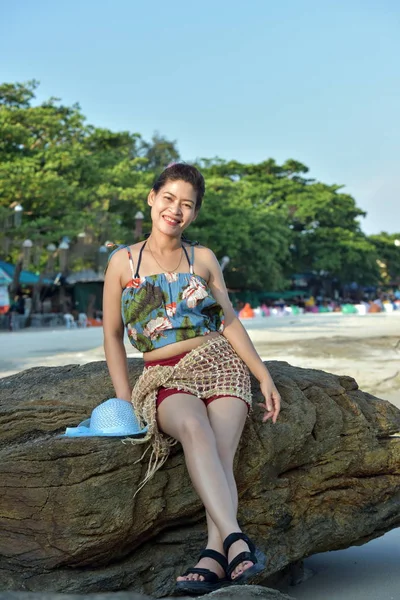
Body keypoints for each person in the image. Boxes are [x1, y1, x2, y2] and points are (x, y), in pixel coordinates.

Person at [102, 163, 281, 595]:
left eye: (187, 204)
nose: (175, 210)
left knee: (222, 453)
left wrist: (264, 376)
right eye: (168, 199)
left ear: (194, 214)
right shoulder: (122, 262)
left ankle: (213, 553)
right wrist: (124, 399)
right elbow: (110, 335)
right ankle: (236, 540)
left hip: (219, 361)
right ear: (151, 198)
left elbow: (230, 322)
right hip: (162, 372)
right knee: (194, 429)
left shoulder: (202, 258)